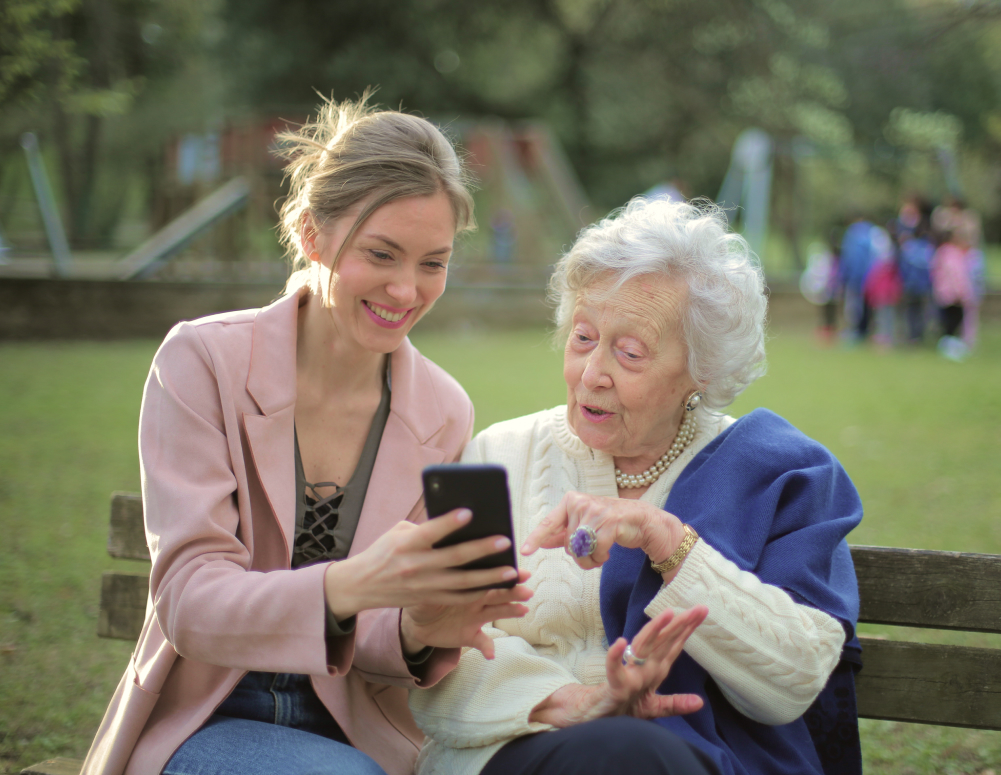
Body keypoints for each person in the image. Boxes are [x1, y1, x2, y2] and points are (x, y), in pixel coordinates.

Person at [81, 95, 532, 775]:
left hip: (361, 732)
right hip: (208, 717)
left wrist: (417, 627)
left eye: (433, 262)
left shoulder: (442, 408)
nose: (406, 290)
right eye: (381, 253)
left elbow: (378, 633)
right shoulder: (202, 361)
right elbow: (189, 600)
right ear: (309, 233)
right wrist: (349, 583)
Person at [410, 198, 863, 775]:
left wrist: (669, 541)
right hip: (511, 752)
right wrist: (571, 702)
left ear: (702, 370)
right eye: (582, 337)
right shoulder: (498, 456)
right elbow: (439, 644)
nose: (591, 372)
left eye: (629, 353)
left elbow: (795, 679)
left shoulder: (779, 474)